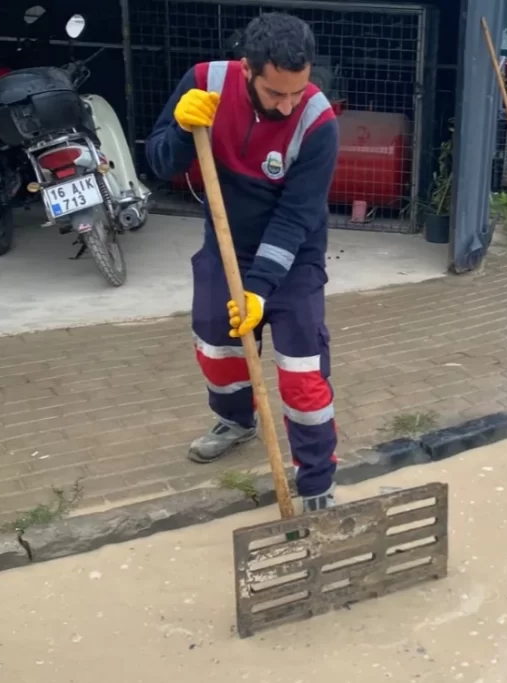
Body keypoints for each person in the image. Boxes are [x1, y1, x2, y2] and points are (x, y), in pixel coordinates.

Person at [145, 12, 339, 511]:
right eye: (276, 93)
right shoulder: (205, 83)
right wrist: (185, 130)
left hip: (293, 259)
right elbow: (160, 162)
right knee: (217, 349)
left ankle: (317, 484)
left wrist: (258, 289)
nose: (288, 103)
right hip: (224, 245)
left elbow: (296, 218)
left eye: (298, 90)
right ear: (246, 69)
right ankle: (236, 420)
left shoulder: (317, 122)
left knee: (301, 372)